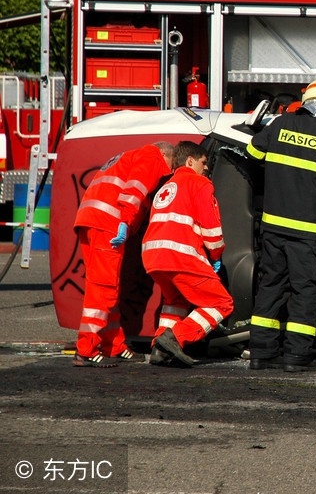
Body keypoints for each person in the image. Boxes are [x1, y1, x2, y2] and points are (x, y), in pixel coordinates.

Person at [245, 78, 316, 372]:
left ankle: (261, 353)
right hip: (309, 234)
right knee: (305, 291)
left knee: (271, 286)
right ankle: (296, 356)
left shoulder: (281, 123)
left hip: (273, 229)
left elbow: (253, 153)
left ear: (304, 99)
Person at [73, 141, 174, 367]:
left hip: (92, 220)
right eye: (171, 165)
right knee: (104, 289)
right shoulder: (153, 157)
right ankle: (86, 349)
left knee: (105, 287)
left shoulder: (127, 156)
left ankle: (113, 344)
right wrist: (126, 221)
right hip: (109, 224)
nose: (168, 172)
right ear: (166, 154)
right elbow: (135, 190)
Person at [142, 141, 232, 367]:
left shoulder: (167, 186)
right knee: (222, 303)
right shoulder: (200, 183)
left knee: (175, 302)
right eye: (203, 162)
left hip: (153, 256)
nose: (207, 167)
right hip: (180, 255)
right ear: (190, 161)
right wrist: (216, 255)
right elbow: (212, 231)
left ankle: (159, 349)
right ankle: (174, 338)